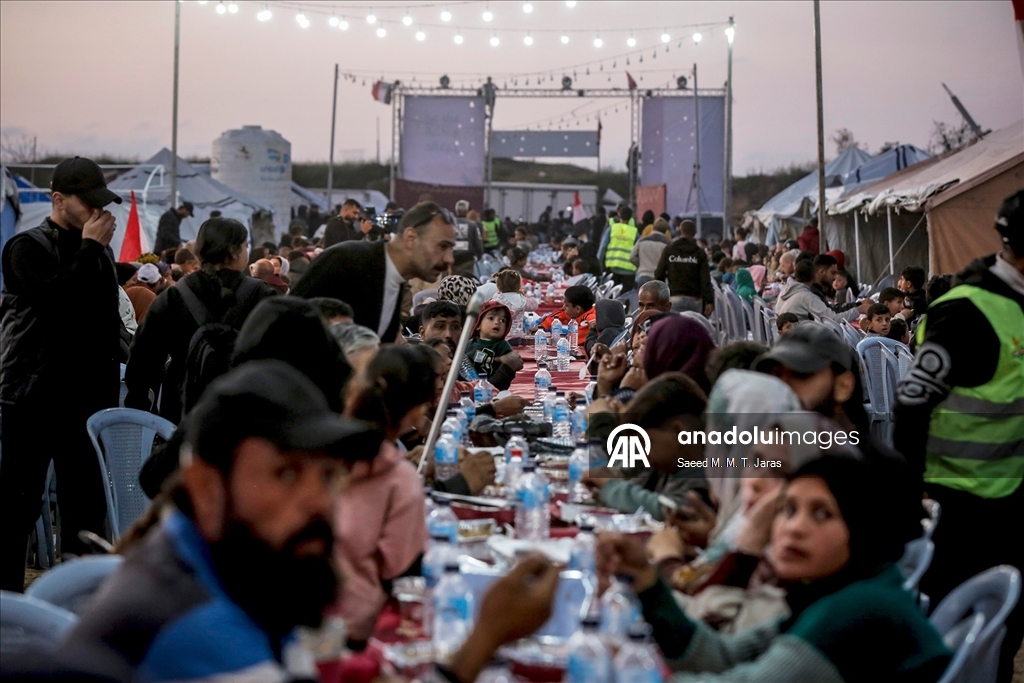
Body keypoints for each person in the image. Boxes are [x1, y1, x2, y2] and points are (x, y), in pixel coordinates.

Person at [47, 361, 383, 682]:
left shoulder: (231, 566)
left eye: (327, 476)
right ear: (207, 490)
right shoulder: (198, 633)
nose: (320, 501)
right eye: (287, 473)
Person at [596, 447, 949, 683]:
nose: (794, 528)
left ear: (865, 528)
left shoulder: (860, 610)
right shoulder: (833, 592)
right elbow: (720, 657)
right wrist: (647, 581)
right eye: (789, 509)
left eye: (822, 513)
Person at [894, 191, 1024, 683]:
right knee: (956, 643)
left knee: (1004, 636)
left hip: (1014, 500)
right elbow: (911, 402)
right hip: (965, 505)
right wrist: (913, 499)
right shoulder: (968, 312)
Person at [0, 156, 123, 591]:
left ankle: (77, 607)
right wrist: (90, 249)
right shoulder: (25, 248)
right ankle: (8, 605)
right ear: (57, 199)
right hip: (32, 395)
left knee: (86, 511)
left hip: (86, 399)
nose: (98, 211)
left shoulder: (101, 253)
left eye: (101, 203)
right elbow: (57, 309)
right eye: (87, 202)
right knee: (18, 506)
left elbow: (105, 324)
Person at [125, 217, 278, 422]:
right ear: (234, 251)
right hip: (245, 412)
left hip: (182, 411)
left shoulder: (174, 296)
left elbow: (143, 358)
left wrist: (142, 405)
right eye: (245, 246)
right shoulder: (262, 295)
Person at [339, 345, 433, 645]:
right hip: (355, 625)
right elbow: (399, 569)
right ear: (418, 411)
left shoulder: (317, 450)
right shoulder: (399, 478)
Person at [292, 201, 457, 341]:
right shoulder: (345, 260)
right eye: (443, 246)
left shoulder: (394, 281)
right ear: (411, 238)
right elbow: (287, 321)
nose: (450, 259)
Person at [583, 373, 711, 522]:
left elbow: (669, 512)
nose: (642, 452)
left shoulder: (707, 477)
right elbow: (630, 482)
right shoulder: (666, 467)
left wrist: (611, 487)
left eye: (645, 442)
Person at [776, 259, 869, 322]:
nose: (834, 277)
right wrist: (859, 310)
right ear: (814, 276)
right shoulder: (808, 297)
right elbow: (833, 319)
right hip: (800, 344)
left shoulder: (784, 293)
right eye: (832, 272)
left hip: (787, 341)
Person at [655, 219, 713, 315]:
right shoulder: (699, 253)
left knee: (675, 329)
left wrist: (661, 297)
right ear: (694, 233)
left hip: (674, 297)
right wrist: (709, 301)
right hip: (695, 299)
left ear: (679, 231)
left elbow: (659, 274)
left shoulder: (669, 250)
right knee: (693, 329)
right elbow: (705, 279)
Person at [465, 301, 514, 380]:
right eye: (491, 318)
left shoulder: (503, 346)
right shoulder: (470, 344)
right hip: (469, 384)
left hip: (495, 386)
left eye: (502, 320)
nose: (497, 322)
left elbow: (511, 365)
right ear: (478, 325)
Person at [492, 268, 537, 343]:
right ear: (519, 285)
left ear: (498, 285)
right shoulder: (520, 299)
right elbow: (534, 305)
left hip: (499, 335)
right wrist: (528, 295)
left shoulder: (496, 297)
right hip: (515, 337)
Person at [602, 206, 639, 291]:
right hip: (629, 270)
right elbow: (639, 251)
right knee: (627, 297)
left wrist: (600, 266)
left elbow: (603, 247)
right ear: (630, 217)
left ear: (619, 215)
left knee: (612, 297)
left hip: (613, 268)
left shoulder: (612, 229)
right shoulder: (634, 232)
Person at [630, 217, 671, 286]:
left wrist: (641, 265)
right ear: (665, 230)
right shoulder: (668, 244)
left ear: (653, 227)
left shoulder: (641, 240)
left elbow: (632, 257)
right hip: (659, 279)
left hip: (643, 275)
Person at [451, 199, 484, 278]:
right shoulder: (472, 225)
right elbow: (478, 242)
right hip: (467, 259)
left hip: (451, 258)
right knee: (465, 280)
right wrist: (479, 255)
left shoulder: (450, 223)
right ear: (467, 211)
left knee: (451, 280)